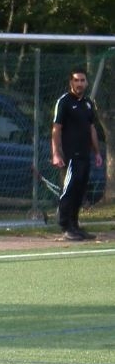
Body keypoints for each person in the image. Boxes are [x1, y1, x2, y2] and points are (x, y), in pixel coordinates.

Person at [51, 67, 103, 241]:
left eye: (82, 80)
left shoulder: (88, 103)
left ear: (86, 83)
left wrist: (97, 152)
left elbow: (91, 128)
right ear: (71, 82)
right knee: (69, 190)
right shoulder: (64, 102)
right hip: (70, 155)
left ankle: (75, 225)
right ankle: (65, 226)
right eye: (76, 80)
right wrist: (56, 153)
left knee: (80, 191)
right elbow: (56, 129)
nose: (79, 83)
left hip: (84, 155)